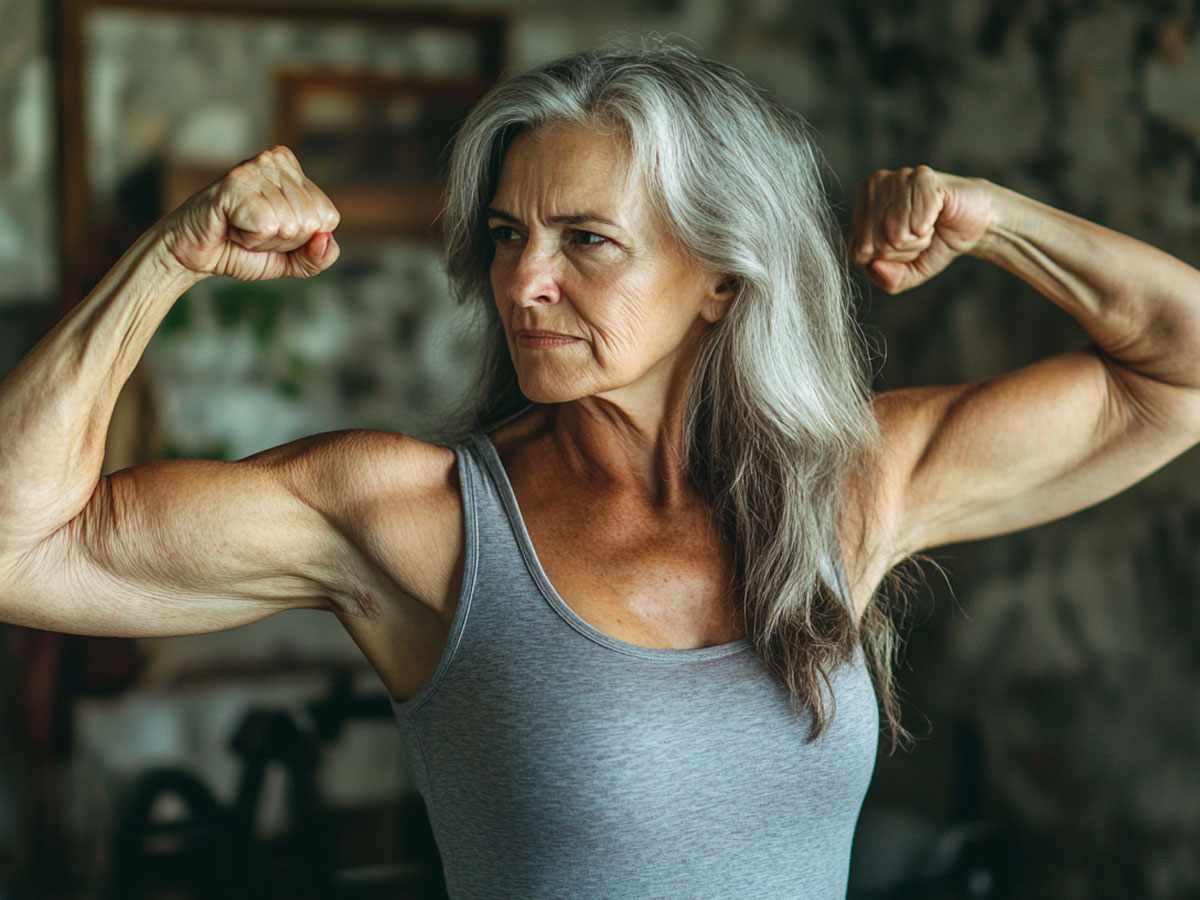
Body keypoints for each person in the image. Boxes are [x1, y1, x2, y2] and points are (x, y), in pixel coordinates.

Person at [2, 40, 1199, 898]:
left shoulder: (849, 487)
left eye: (586, 240)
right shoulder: (417, 517)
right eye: (509, 235)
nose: (523, 283)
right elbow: (23, 549)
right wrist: (166, 260)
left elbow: (1179, 373)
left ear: (720, 280)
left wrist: (998, 222)